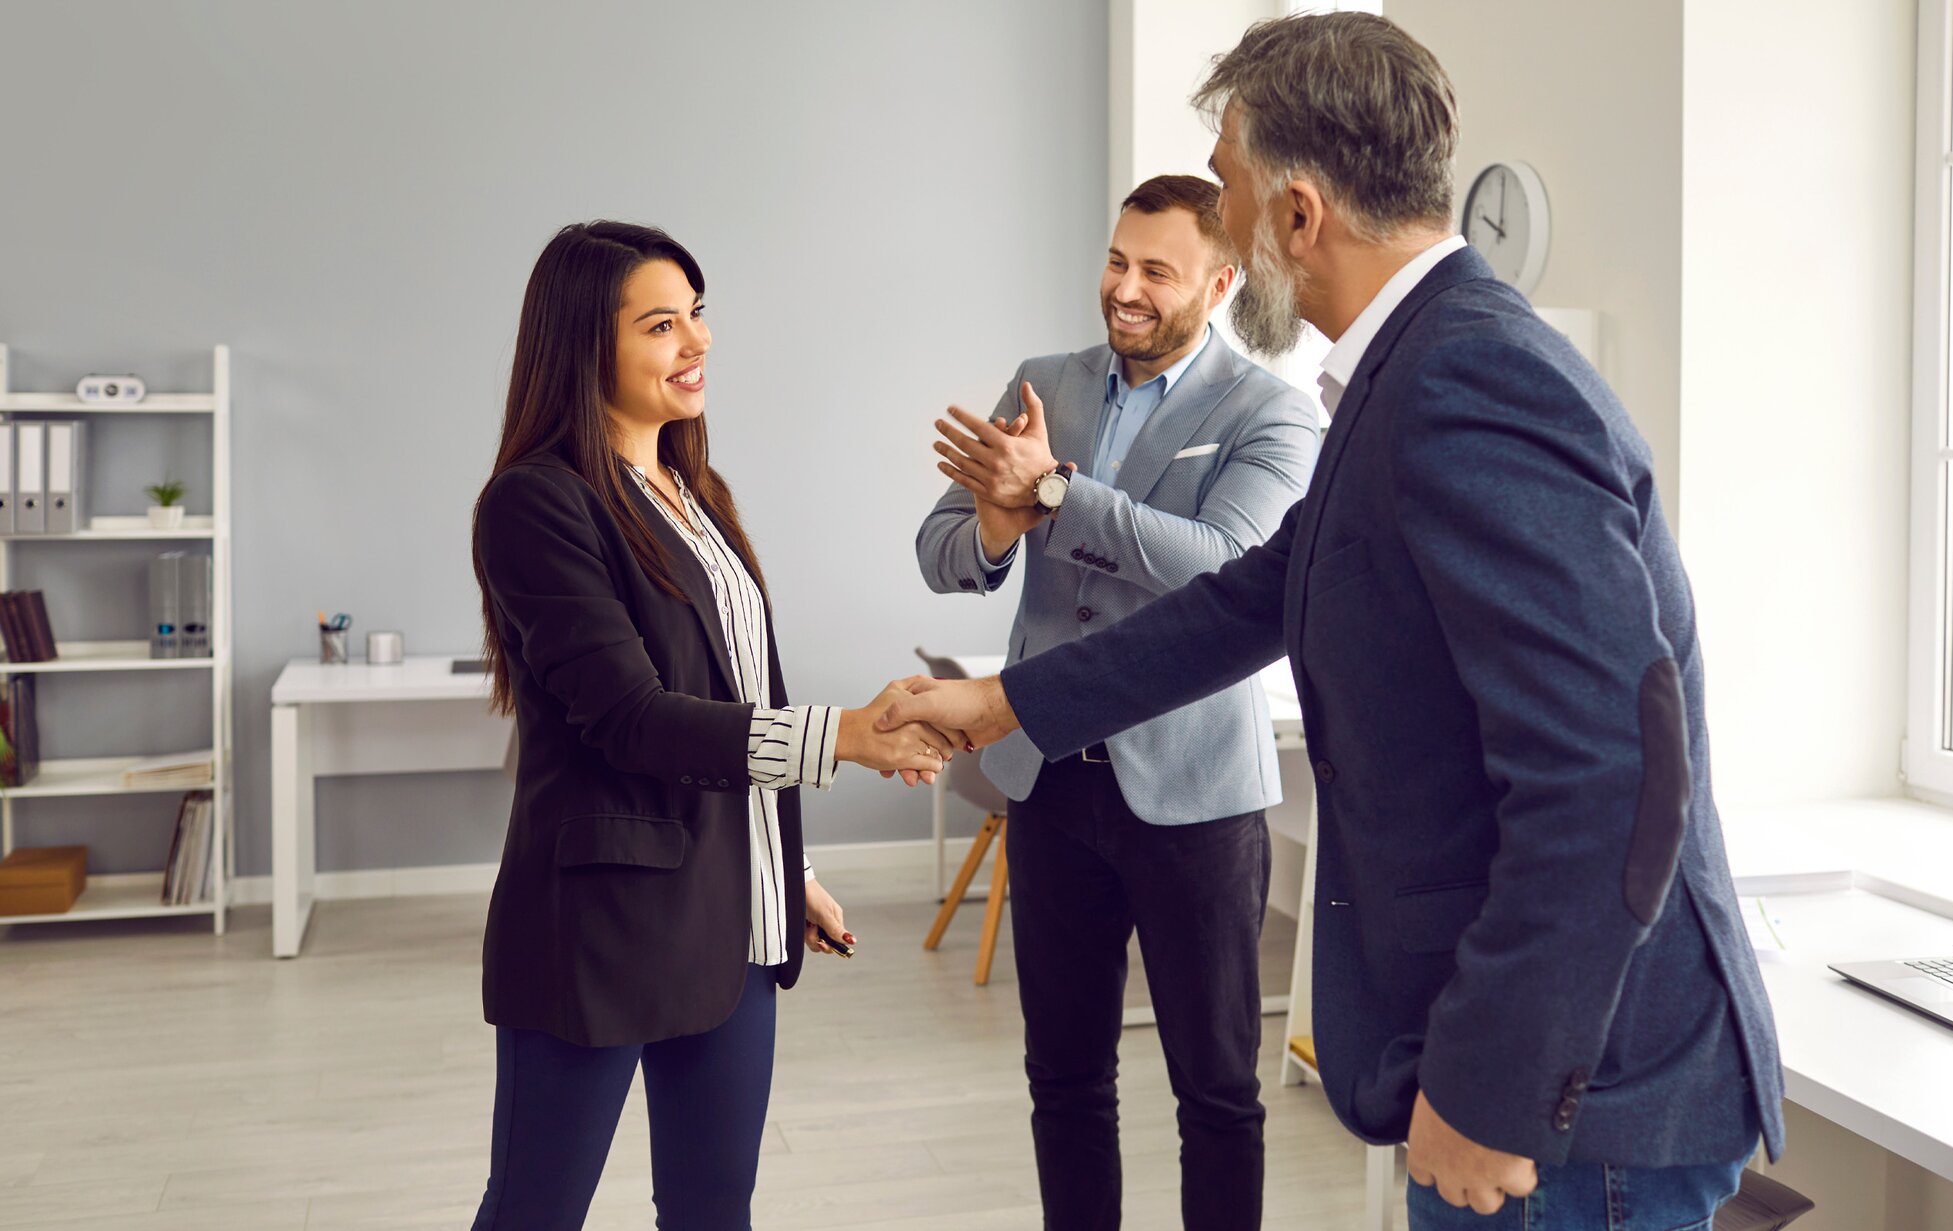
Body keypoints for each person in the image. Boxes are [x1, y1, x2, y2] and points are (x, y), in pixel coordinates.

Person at [881, 14, 1786, 1230]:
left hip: (1572, 1105)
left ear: (1296, 215)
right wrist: (1001, 702)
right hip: (1546, 1085)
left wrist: (1489, 1083)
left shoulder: (1468, 379)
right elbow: (1256, 596)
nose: (1218, 216)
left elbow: (1611, 774)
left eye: (1226, 188)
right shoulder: (1406, 369)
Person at [467, 220, 962, 1230]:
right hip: (598, 930)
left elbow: (728, 698)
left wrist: (790, 865)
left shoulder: (692, 491)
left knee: (711, 1210)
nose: (695, 343)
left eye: (698, 315)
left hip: (729, 919)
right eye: (661, 324)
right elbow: (633, 721)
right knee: (533, 1210)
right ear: (581, 343)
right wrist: (845, 737)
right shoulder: (535, 504)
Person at [917, 174, 1317, 1231]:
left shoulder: (1271, 412)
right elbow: (939, 550)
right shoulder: (1041, 381)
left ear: (1221, 281)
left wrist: (1053, 493)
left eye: (1154, 270)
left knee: (1217, 1092)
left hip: (1194, 795)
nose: (1123, 288)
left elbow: (1221, 571)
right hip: (1048, 782)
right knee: (1063, 1076)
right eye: (1114, 260)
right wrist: (997, 529)